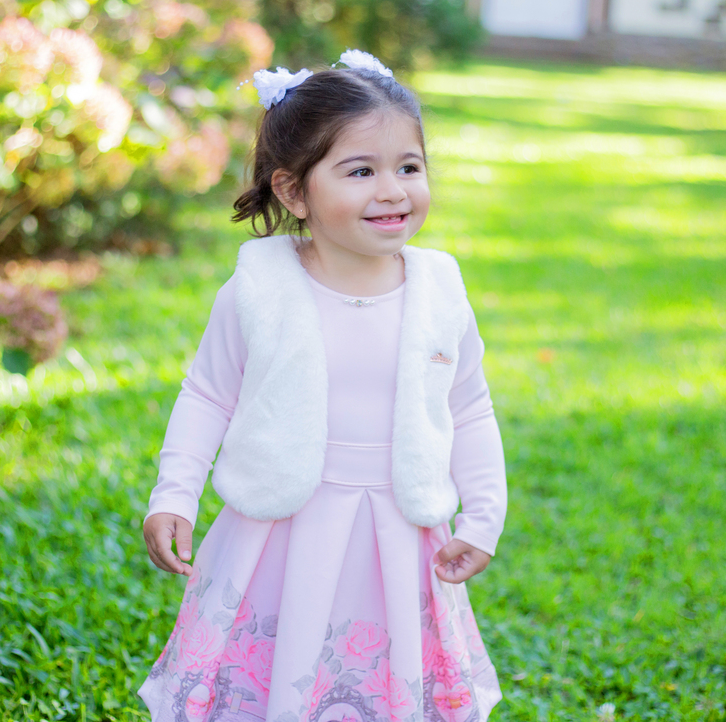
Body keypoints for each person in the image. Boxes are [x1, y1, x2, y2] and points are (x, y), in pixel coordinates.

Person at [138, 49, 508, 722]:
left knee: (382, 686)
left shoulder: (438, 290)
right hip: (279, 533)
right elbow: (208, 395)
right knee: (277, 681)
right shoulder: (260, 288)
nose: (393, 190)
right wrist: (175, 494)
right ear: (294, 191)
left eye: (409, 168)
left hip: (398, 537)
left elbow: (470, 405)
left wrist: (484, 513)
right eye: (360, 171)